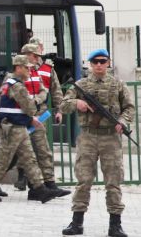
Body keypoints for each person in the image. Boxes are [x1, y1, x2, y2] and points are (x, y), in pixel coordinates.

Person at [60, 49, 134, 237]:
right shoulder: (80, 85)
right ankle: (77, 223)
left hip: (111, 137)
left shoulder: (118, 85)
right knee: (83, 180)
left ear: (108, 62)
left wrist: (122, 123)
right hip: (88, 137)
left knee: (113, 181)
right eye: (95, 61)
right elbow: (63, 105)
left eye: (102, 61)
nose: (99, 65)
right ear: (91, 64)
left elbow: (129, 108)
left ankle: (115, 225)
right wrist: (77, 103)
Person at [0, 55, 62, 203]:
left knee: (29, 159)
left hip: (19, 126)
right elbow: (30, 107)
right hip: (13, 127)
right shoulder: (17, 86)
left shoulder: (11, 83)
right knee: (4, 159)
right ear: (19, 68)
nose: (30, 70)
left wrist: (29, 118)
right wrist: (32, 114)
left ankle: (40, 189)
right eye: (26, 68)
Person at [7, 44, 70, 197]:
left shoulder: (40, 71)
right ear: (25, 55)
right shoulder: (14, 75)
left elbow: (49, 91)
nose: (37, 59)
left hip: (39, 113)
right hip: (21, 115)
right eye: (34, 56)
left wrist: (54, 107)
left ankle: (49, 184)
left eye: (37, 56)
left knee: (42, 149)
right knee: (14, 153)